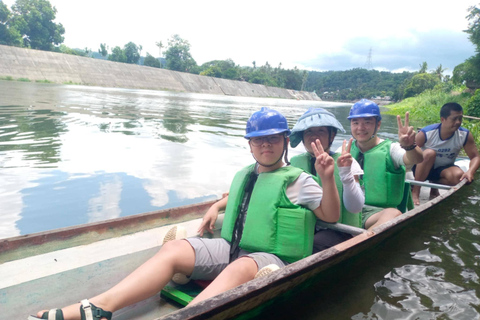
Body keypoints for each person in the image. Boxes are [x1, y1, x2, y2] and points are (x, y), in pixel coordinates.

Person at [29, 107, 340, 320]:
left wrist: (327, 178)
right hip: (232, 248)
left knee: (242, 265)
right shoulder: (247, 173)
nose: (266, 145)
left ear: (285, 141)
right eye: (258, 139)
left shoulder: (300, 180)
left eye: (273, 138)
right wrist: (216, 205)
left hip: (268, 260)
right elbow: (242, 199)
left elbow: (329, 215)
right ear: (250, 145)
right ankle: (99, 308)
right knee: (175, 248)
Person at [289, 108, 364, 253]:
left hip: (340, 230)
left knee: (316, 242)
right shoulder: (294, 163)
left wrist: (345, 173)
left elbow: (355, 207)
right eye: (308, 132)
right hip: (306, 226)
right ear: (302, 137)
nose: (314, 136)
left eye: (321, 131)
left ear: (332, 136)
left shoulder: (347, 162)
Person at [347, 99, 424, 230]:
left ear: (378, 125)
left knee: (394, 214)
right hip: (347, 210)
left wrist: (410, 146)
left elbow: (415, 159)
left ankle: (356, 244)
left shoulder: (391, 149)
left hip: (376, 214)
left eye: (367, 122)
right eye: (355, 123)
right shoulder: (345, 149)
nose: (360, 128)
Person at [411, 102, 480, 205]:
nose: (458, 122)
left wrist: (470, 171)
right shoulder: (426, 133)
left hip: (442, 170)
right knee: (429, 153)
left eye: (460, 118)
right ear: (443, 119)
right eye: (454, 119)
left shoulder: (464, 135)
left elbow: (475, 157)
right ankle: (415, 191)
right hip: (421, 168)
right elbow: (410, 153)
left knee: (458, 176)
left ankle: (434, 186)